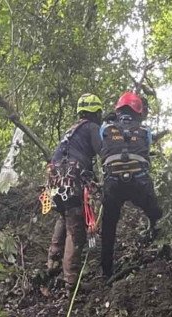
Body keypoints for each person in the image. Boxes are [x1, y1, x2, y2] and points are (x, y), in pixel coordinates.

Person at [99, 91, 163, 278]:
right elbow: (146, 146)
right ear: (139, 112)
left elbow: (102, 136)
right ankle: (159, 241)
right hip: (139, 181)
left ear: (118, 110)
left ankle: (106, 272)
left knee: (109, 226)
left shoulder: (105, 128)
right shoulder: (145, 131)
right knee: (155, 211)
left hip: (113, 183)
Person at [45, 93, 103, 289]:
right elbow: (103, 151)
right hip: (72, 178)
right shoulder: (92, 127)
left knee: (64, 216)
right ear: (96, 112)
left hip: (56, 179)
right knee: (76, 228)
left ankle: (53, 261)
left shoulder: (72, 130)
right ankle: (71, 281)